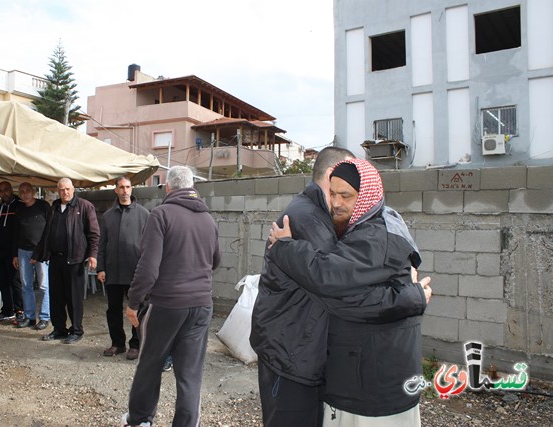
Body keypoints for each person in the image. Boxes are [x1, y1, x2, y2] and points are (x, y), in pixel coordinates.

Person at [250, 148, 430, 427]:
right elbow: (335, 289)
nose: (336, 202)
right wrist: (411, 297)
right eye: (333, 192)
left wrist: (410, 295)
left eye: (344, 194)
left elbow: (339, 285)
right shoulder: (310, 218)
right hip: (291, 356)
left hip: (299, 355)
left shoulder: (367, 229)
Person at [122, 166, 220, 427]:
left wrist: (133, 302)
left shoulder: (161, 214)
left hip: (167, 305)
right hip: (201, 306)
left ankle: (140, 420)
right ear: (192, 187)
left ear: (168, 187)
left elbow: (148, 268)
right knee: (190, 373)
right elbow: (215, 261)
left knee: (150, 365)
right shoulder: (208, 220)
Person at [34, 178, 100, 344]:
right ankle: (59, 329)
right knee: (56, 297)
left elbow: (94, 233)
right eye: (62, 190)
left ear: (73, 189)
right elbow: (46, 233)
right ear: (58, 191)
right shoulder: (54, 207)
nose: (65, 192)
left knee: (74, 298)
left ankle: (77, 330)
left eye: (68, 189)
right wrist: (37, 254)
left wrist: (92, 255)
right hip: (55, 259)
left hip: (75, 260)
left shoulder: (84, 206)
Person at [97, 176, 149, 359]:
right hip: (113, 271)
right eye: (121, 187)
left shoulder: (144, 214)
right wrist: (100, 268)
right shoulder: (108, 216)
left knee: (138, 309)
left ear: (132, 189)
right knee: (113, 310)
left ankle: (136, 344)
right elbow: (101, 244)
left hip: (135, 271)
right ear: (116, 190)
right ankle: (117, 344)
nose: (125, 191)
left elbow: (150, 245)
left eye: (128, 187)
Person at [12, 182, 51, 330]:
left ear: (33, 191)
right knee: (26, 285)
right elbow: (15, 233)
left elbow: (48, 231)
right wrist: (15, 254)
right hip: (23, 251)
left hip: (41, 251)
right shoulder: (19, 209)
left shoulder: (43, 206)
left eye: (27, 191)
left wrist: (40, 252)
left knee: (43, 285)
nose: (24, 194)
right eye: (21, 191)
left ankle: (44, 317)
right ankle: (29, 317)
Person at [0, 181, 23, 322]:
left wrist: (17, 252)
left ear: (11, 190)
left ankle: (20, 309)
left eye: (6, 190)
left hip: (14, 251)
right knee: (2, 281)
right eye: (1, 191)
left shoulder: (19, 206)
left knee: (15, 281)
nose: (4, 193)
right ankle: (7, 309)